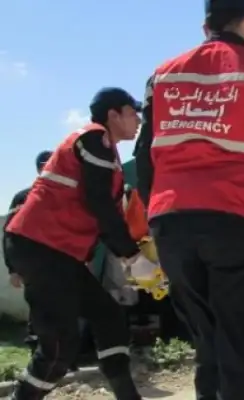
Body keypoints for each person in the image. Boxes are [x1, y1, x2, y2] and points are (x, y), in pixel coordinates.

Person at [134, 1, 244, 398]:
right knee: (243, 346)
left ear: (205, 28)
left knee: (209, 345)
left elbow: (144, 158)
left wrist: (158, 219)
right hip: (235, 220)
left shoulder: (161, 76)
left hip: (171, 223)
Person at [4, 87, 147, 399]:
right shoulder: (93, 138)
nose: (138, 119)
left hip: (58, 253)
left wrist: (127, 254)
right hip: (42, 248)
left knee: (108, 316)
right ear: (113, 115)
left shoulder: (106, 151)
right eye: (132, 112)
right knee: (59, 346)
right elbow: (99, 203)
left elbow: (99, 211)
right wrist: (132, 255)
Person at [3, 151, 51, 355]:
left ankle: (66, 359)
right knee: (38, 308)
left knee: (65, 310)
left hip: (62, 262)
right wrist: (12, 269)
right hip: (34, 263)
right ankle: (37, 356)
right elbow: (9, 233)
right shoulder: (23, 197)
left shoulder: (67, 195)